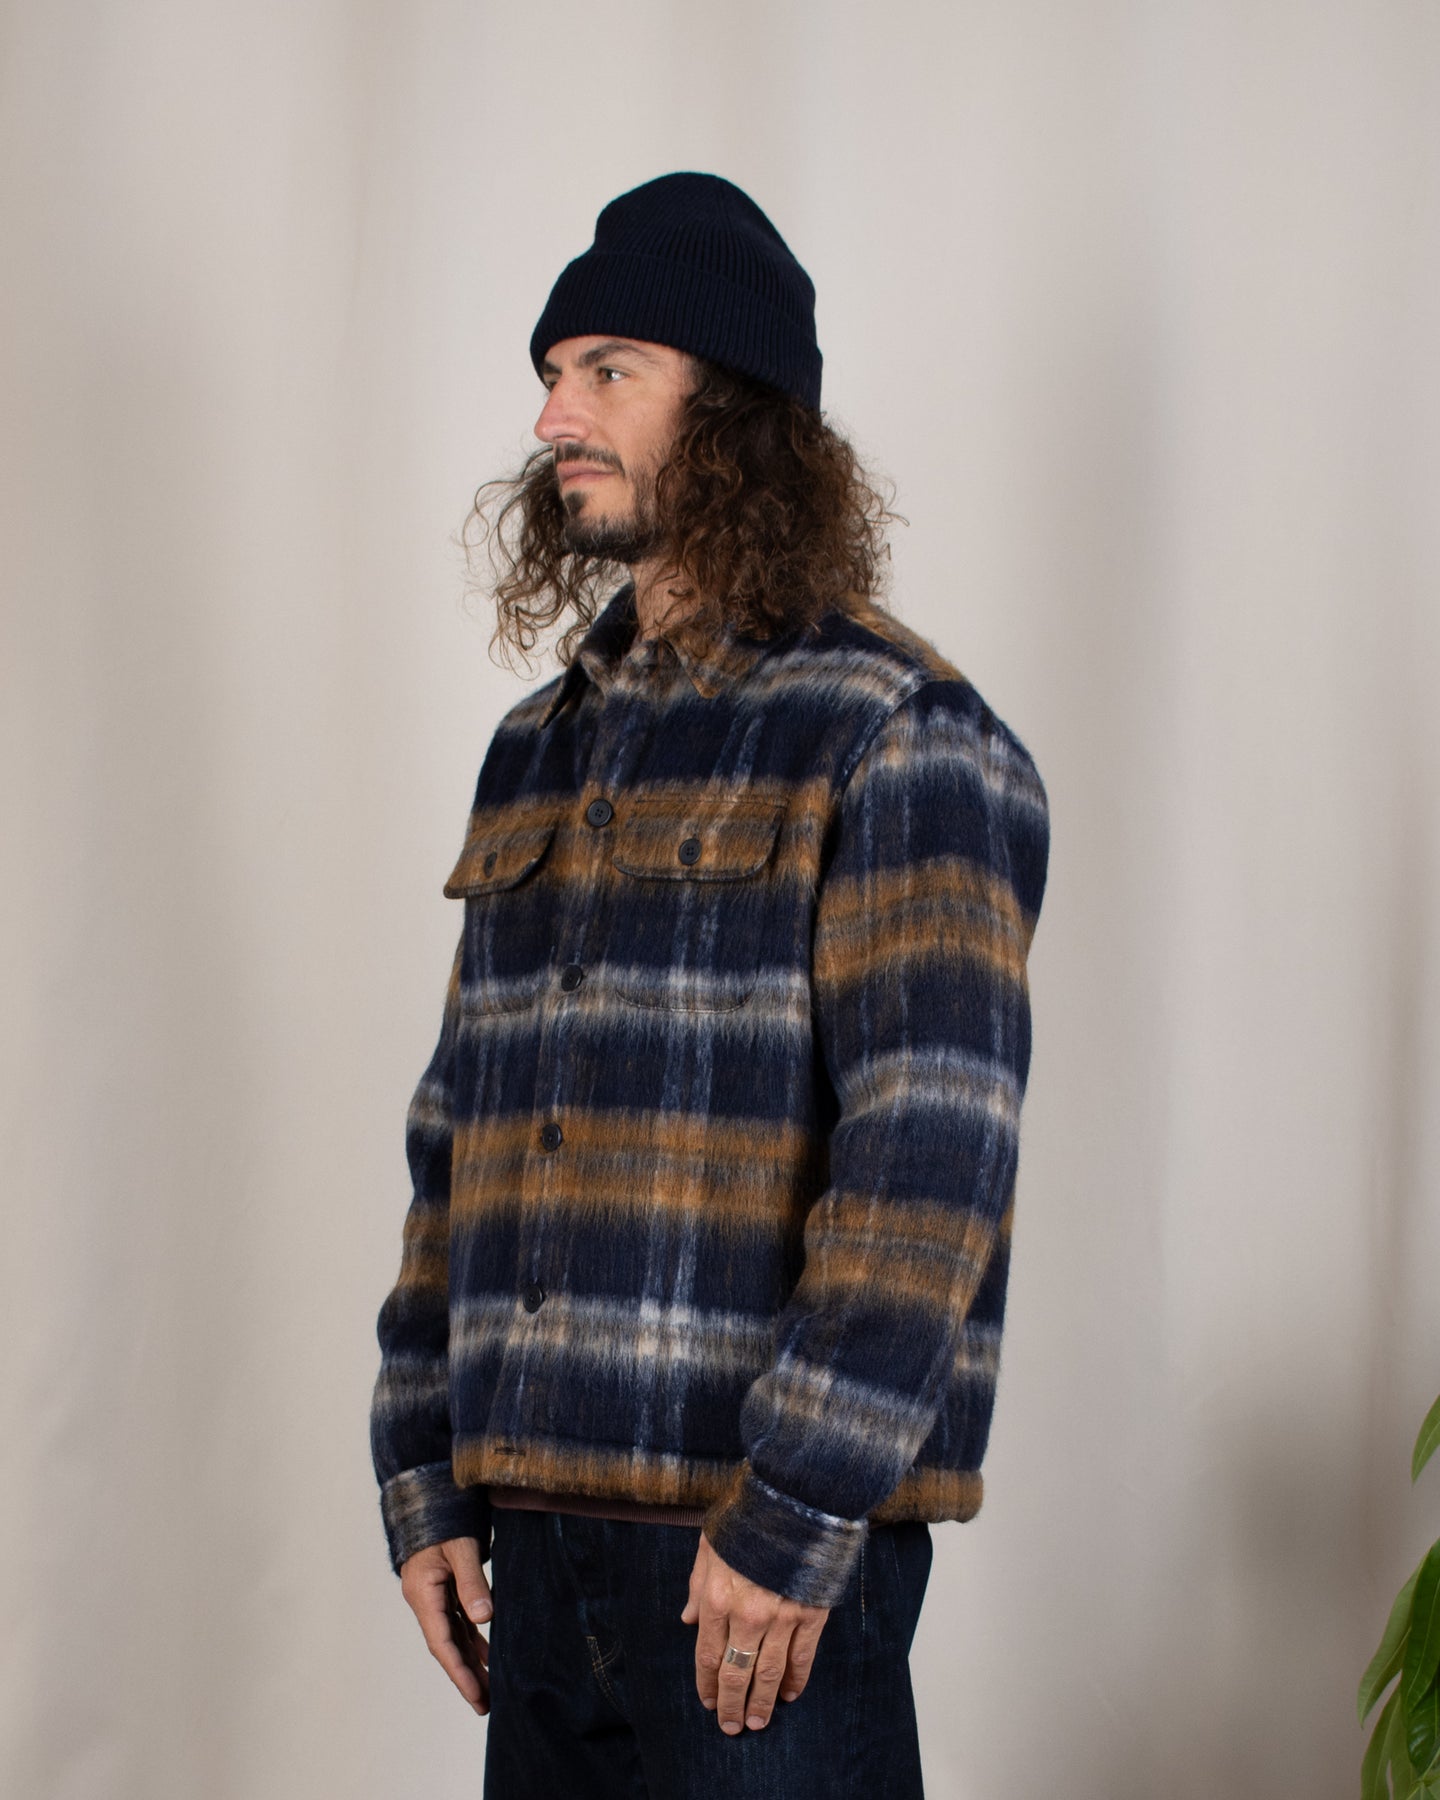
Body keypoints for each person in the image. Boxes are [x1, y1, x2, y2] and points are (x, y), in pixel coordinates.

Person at [369, 171, 1049, 1798]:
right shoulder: (537, 749)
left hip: (756, 1561)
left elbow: (931, 1154)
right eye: (553, 374)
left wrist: (796, 1509)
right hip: (536, 1549)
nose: (556, 415)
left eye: (609, 369)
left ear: (736, 409)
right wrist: (422, 1469)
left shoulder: (895, 729)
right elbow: (456, 1136)